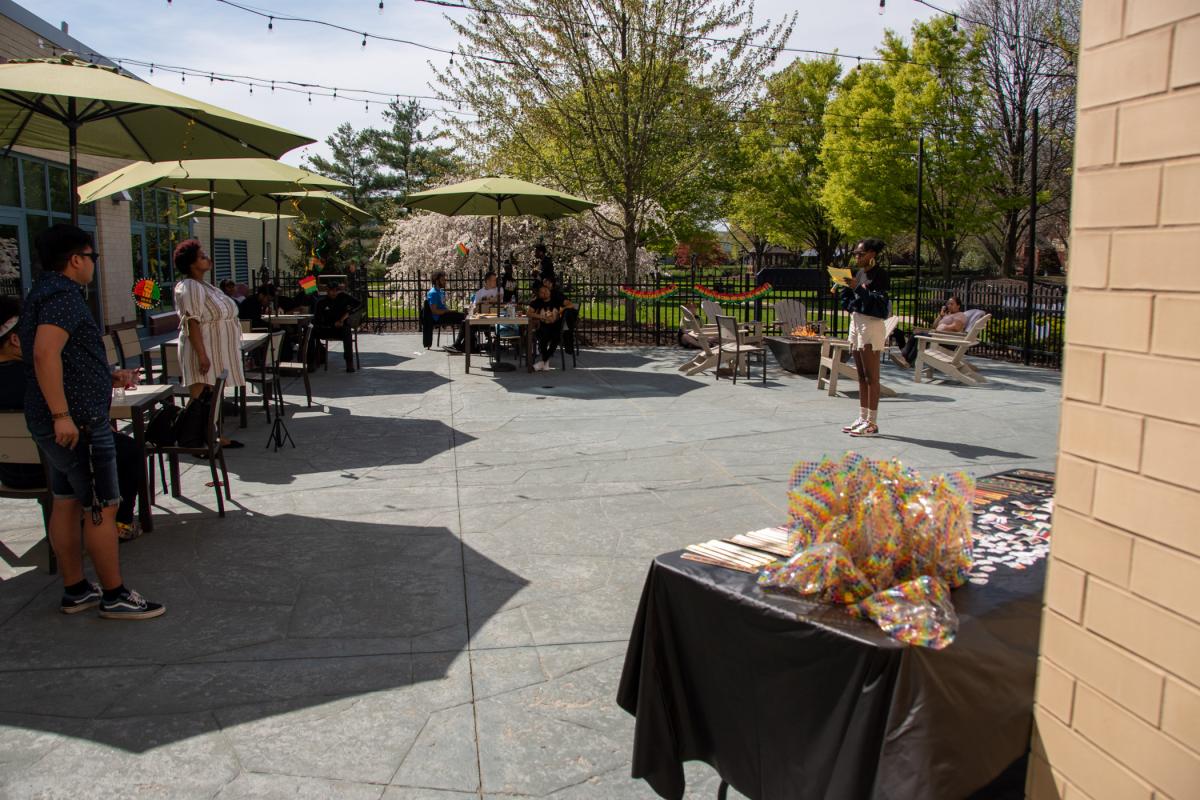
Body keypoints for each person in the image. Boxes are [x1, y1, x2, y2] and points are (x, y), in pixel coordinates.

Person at [18, 224, 164, 619]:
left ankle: (76, 588)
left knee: (66, 502)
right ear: (76, 260)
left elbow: (60, 358)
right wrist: (63, 415)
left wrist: (106, 375)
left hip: (61, 418)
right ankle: (114, 595)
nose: (94, 265)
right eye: (93, 257)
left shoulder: (40, 294)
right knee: (102, 506)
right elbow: (45, 355)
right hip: (77, 423)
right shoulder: (63, 297)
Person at [0, 296, 145, 541]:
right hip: (56, 469)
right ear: (15, 340)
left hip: (10, 473)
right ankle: (121, 521)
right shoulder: (36, 379)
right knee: (127, 449)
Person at [173, 239, 245, 447]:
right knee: (200, 396)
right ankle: (193, 440)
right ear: (191, 263)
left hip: (217, 350)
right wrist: (202, 355)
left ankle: (212, 435)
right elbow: (192, 320)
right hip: (202, 349)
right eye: (202, 256)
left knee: (212, 396)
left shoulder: (206, 286)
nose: (208, 259)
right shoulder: (190, 287)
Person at [838, 238, 889, 438]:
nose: (857, 257)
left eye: (861, 254)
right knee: (860, 375)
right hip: (856, 322)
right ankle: (862, 416)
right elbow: (851, 302)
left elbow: (876, 302)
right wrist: (846, 288)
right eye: (855, 254)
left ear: (872, 254)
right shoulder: (858, 273)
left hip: (871, 324)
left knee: (871, 376)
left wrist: (857, 288)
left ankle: (872, 422)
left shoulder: (880, 275)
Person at [893, 294, 968, 368]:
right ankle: (904, 357)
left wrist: (944, 326)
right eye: (948, 304)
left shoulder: (960, 315)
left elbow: (957, 327)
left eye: (952, 304)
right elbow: (934, 326)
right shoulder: (947, 315)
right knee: (916, 335)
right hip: (938, 337)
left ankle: (907, 360)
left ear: (958, 306)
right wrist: (941, 316)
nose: (949, 305)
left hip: (947, 340)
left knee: (920, 337)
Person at [313, 280, 362, 372]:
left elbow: (359, 304)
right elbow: (318, 321)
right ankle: (311, 361)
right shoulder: (322, 302)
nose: (334, 292)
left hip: (341, 329)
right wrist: (332, 324)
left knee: (347, 332)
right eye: (331, 290)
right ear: (327, 291)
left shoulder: (343, 297)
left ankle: (349, 362)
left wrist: (349, 313)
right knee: (311, 331)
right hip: (327, 329)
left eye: (336, 290)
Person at [527, 282, 564, 371]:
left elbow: (565, 309)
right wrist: (542, 316)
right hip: (543, 326)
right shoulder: (537, 302)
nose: (545, 293)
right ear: (539, 294)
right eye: (542, 292)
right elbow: (529, 313)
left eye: (546, 291)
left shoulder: (556, 300)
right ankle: (545, 363)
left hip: (555, 326)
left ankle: (542, 362)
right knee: (543, 339)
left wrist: (556, 316)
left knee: (556, 338)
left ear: (549, 291)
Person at [427, 271, 467, 353]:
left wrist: (450, 311)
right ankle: (458, 344)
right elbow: (434, 311)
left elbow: (442, 306)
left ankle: (465, 344)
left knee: (466, 317)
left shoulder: (441, 292)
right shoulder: (433, 293)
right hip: (439, 317)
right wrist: (447, 311)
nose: (445, 281)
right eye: (443, 280)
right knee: (465, 318)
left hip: (445, 314)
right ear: (437, 281)